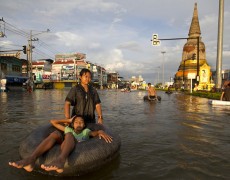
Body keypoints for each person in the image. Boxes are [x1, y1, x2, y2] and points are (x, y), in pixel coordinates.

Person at [9, 115, 113, 173]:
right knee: (56, 133)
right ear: (72, 124)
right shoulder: (68, 129)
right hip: (66, 143)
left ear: (84, 124)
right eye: (76, 122)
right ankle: (31, 159)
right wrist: (68, 120)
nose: (79, 123)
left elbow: (95, 133)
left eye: (81, 122)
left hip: (77, 148)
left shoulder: (86, 132)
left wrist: (101, 131)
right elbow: (53, 122)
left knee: (68, 135)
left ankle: (61, 160)